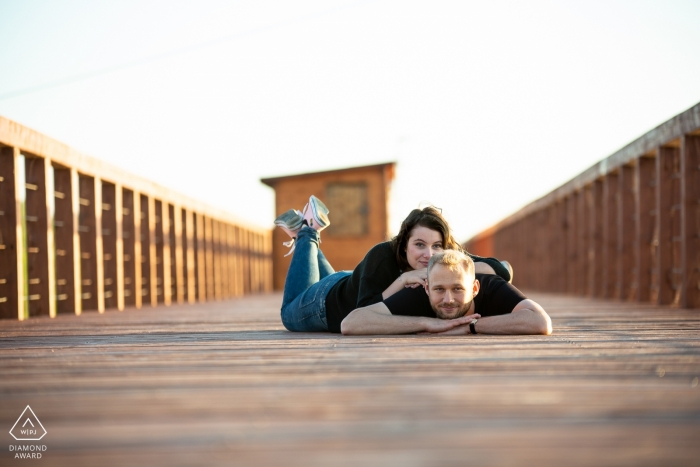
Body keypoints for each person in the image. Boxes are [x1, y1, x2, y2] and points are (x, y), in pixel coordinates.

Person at [276, 195, 512, 333]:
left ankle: (303, 231)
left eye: (437, 246)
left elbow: (501, 270)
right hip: (326, 302)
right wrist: (401, 281)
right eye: (419, 245)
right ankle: (307, 231)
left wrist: (461, 272)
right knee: (288, 314)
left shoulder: (445, 260)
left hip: (354, 281)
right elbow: (361, 311)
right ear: (404, 245)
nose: (429, 255)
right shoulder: (382, 255)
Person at [341, 249, 552, 336]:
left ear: (475, 288)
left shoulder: (491, 287)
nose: (448, 299)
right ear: (426, 287)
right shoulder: (419, 294)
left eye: (458, 289)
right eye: (439, 289)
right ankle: (308, 232)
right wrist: (426, 323)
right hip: (326, 296)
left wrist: (471, 326)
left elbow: (541, 322)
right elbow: (351, 322)